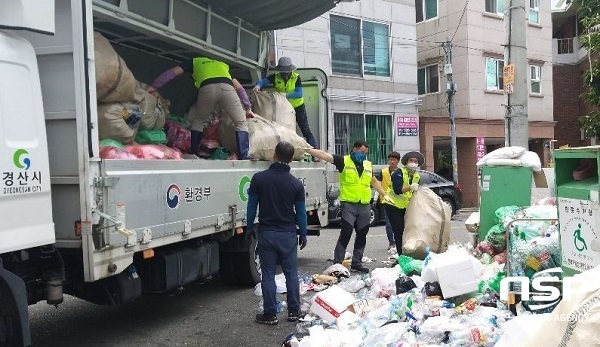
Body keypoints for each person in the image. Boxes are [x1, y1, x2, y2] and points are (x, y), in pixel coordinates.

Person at [245, 141, 308, 325]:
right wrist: (302, 234)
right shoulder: (296, 184)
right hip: (288, 234)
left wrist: (250, 227)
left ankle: (270, 314)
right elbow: (302, 213)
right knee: (291, 274)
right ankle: (294, 312)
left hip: (267, 234)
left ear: (274, 155)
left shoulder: (259, 179)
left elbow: (251, 206)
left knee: (268, 274)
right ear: (290, 159)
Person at [307, 141, 392, 273]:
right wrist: (308, 150)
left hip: (364, 205)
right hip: (349, 205)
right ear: (355, 149)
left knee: (362, 234)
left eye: (365, 153)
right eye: (362, 152)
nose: (364, 155)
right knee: (346, 232)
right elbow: (325, 155)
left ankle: (357, 262)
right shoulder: (344, 161)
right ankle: (338, 262)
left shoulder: (367, 165)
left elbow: (373, 181)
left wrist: (384, 194)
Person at [148, 57, 254, 159]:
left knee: (199, 121)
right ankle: (243, 155)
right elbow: (240, 89)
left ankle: (194, 153)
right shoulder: (223, 66)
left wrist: (154, 86)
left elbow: (171, 73)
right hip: (227, 88)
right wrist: (248, 109)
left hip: (207, 88)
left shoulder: (194, 61)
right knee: (240, 122)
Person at [253, 57, 318, 150]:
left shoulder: (296, 77)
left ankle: (315, 151)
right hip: (283, 108)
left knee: (305, 129)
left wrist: (286, 95)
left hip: (297, 106)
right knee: (284, 129)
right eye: (283, 72)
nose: (285, 74)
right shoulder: (276, 76)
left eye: (287, 71)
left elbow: (299, 94)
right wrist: (258, 85)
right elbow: (264, 81)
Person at [383, 151, 424, 255]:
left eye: (416, 161)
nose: (413, 163)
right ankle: (401, 254)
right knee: (398, 230)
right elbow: (397, 190)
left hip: (405, 206)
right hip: (392, 204)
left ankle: (407, 251)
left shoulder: (416, 176)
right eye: (411, 160)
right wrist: (410, 187)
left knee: (408, 230)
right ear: (406, 162)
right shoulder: (398, 173)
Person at [380, 151, 401, 251]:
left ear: (398, 161)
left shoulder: (401, 172)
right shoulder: (383, 172)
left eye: (394, 160)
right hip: (386, 200)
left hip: (399, 201)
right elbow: (379, 184)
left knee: (399, 223)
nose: (392, 162)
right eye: (391, 159)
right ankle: (391, 242)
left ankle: (399, 242)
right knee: (389, 223)